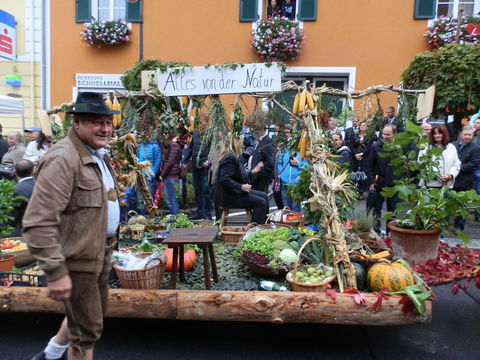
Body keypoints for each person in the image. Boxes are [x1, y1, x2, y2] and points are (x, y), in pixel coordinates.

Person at [23, 91, 121, 360]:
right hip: (77, 261)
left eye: (108, 122)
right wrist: (56, 271)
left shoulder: (96, 153)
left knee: (85, 314)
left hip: (98, 253)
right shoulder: (63, 159)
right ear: (76, 123)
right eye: (96, 122)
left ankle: (51, 354)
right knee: (86, 334)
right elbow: (37, 222)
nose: (105, 128)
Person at [212, 133, 269, 224]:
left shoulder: (232, 156)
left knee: (265, 196)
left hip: (231, 193)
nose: (243, 145)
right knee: (261, 202)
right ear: (236, 143)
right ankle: (255, 230)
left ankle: (265, 224)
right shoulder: (230, 158)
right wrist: (241, 187)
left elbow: (238, 176)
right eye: (241, 142)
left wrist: (252, 172)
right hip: (228, 197)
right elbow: (224, 179)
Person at [365, 124, 400, 233]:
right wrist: (371, 181)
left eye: (388, 134)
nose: (384, 136)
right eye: (383, 134)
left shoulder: (399, 147)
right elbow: (369, 165)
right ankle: (376, 232)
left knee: (392, 210)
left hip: (394, 185)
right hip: (378, 183)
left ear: (394, 134)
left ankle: (390, 234)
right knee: (376, 209)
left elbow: (404, 167)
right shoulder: (376, 146)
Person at [453, 126, 480, 230]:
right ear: (461, 135)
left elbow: (473, 164)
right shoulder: (453, 145)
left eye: (470, 135)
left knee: (462, 205)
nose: (467, 137)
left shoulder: (476, 148)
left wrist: (456, 169)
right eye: (465, 134)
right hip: (451, 180)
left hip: (465, 181)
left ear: (473, 136)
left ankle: (459, 226)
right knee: (447, 202)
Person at [417, 125, 460, 189]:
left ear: (444, 134)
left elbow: (456, 164)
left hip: (446, 185)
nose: (437, 135)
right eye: (435, 133)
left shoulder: (451, 147)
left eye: (439, 133)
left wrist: (450, 175)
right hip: (430, 184)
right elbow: (421, 162)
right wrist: (437, 175)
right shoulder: (426, 147)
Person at [183, 126, 212, 220]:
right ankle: (200, 212)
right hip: (196, 166)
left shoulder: (210, 134)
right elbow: (191, 148)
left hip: (205, 166)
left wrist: (209, 161)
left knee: (206, 191)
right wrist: (184, 161)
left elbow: (213, 149)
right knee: (197, 190)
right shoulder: (195, 134)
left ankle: (207, 214)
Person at [276, 129, 308, 212]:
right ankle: (287, 225)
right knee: (286, 208)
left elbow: (308, 167)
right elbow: (279, 162)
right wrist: (280, 174)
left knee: (295, 208)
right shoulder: (285, 150)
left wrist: (298, 164)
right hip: (285, 184)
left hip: (296, 185)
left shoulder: (303, 152)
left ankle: (296, 225)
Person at [350, 121, 377, 199]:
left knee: (363, 174)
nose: (362, 126)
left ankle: (361, 192)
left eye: (364, 125)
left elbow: (370, 147)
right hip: (355, 158)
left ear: (367, 127)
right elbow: (351, 146)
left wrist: (362, 154)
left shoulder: (370, 136)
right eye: (360, 125)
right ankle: (354, 191)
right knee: (354, 173)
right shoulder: (354, 135)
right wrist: (355, 154)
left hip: (364, 158)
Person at [135, 136, 161, 215]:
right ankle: (143, 216)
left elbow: (157, 161)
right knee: (140, 198)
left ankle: (151, 216)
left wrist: (152, 174)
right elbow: (138, 160)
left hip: (149, 176)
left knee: (149, 198)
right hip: (140, 175)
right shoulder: (140, 146)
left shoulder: (155, 147)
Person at [9, 159, 35, 237]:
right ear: (33, 171)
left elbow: (11, 220)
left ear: (15, 172)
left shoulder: (14, 190)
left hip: (24, 233)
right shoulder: (43, 185)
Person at [160, 134, 183, 215]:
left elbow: (170, 162)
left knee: (170, 199)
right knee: (170, 199)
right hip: (170, 175)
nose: (164, 136)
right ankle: (175, 216)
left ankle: (175, 217)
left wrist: (162, 175)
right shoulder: (172, 145)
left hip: (170, 175)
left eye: (166, 134)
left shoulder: (173, 145)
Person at [247, 127, 275, 192]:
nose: (254, 132)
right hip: (255, 179)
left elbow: (270, 163)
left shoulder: (268, 141)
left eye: (256, 130)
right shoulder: (260, 140)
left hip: (260, 181)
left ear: (262, 130)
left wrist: (259, 173)